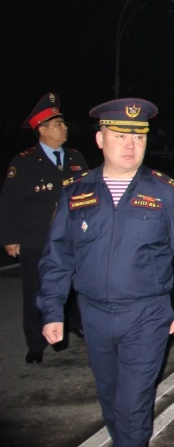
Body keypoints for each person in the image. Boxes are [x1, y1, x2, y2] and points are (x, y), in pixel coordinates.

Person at [37, 98, 174, 446]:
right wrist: (52, 310)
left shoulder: (166, 192)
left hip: (146, 315)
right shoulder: (76, 191)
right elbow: (58, 256)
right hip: (93, 315)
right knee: (110, 397)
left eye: (139, 137)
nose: (131, 145)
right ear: (101, 140)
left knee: (133, 405)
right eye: (120, 136)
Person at [0, 93, 89, 364]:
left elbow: (89, 195)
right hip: (37, 239)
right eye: (58, 124)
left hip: (74, 237)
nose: (64, 128)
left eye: (63, 123)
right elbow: (9, 203)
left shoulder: (75, 158)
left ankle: (76, 324)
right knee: (35, 290)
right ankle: (36, 342)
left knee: (78, 284)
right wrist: (11, 238)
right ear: (42, 129)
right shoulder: (24, 162)